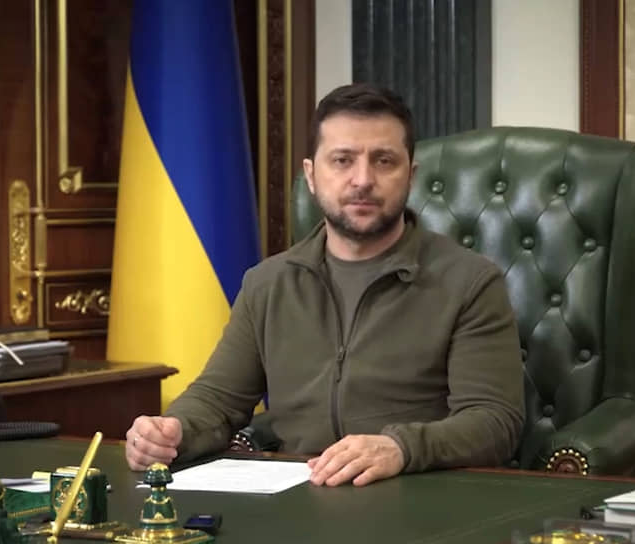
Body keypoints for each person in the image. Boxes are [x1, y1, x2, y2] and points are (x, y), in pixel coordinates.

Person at [125, 83, 524, 487]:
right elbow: (217, 399)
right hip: (299, 495)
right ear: (312, 176)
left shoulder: (469, 282)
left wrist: (401, 448)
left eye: (384, 161)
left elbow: (495, 423)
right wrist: (171, 431)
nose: (362, 179)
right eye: (342, 160)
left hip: (418, 491)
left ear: (411, 175)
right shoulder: (268, 284)